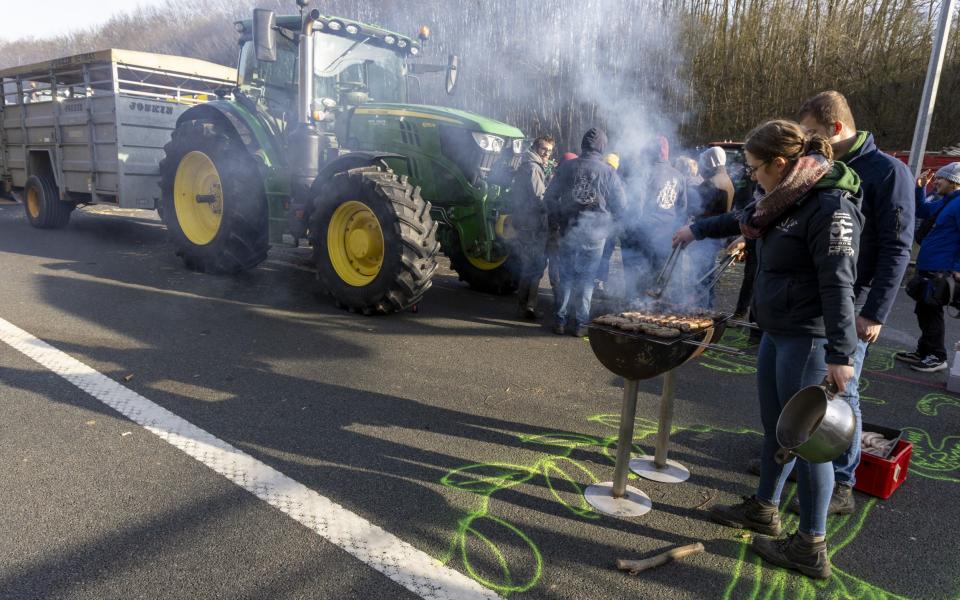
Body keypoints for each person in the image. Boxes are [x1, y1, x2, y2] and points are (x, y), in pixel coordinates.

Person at [701, 119, 863, 580]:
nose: (750, 176)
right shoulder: (779, 201)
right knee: (775, 428)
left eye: (755, 168)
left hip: (808, 339)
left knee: (810, 444)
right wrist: (696, 230)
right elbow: (741, 220)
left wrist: (840, 353)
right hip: (775, 330)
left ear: (780, 163)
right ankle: (764, 509)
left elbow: (838, 283)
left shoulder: (830, 207)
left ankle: (810, 545)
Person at [795, 90, 915, 513]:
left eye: (811, 132)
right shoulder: (820, 167)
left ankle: (843, 481)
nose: (804, 141)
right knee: (808, 387)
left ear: (836, 129)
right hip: (817, 297)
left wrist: (873, 312)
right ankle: (801, 459)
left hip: (855, 301)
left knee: (843, 392)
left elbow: (897, 248)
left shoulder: (887, 172)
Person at [545, 128, 626, 336]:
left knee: (567, 276)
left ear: (583, 144)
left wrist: (557, 221)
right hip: (595, 235)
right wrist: (608, 226)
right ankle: (580, 324)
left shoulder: (568, 167)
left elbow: (550, 197)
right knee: (587, 278)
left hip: (569, 230)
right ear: (602, 147)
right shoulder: (609, 172)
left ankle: (560, 321)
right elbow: (622, 207)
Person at [896, 163, 960, 372]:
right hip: (930, 265)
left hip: (941, 268)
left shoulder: (958, 203)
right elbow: (922, 210)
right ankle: (924, 351)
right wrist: (920, 188)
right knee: (923, 309)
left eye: (940, 178)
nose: (936, 181)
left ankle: (937, 355)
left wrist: (958, 267)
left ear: (953, 181)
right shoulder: (947, 201)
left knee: (932, 312)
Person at [620, 135, 687, 302]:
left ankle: (633, 312)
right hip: (666, 238)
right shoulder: (679, 176)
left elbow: (636, 207)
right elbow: (682, 210)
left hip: (641, 236)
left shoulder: (643, 173)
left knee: (636, 282)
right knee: (658, 281)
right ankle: (653, 314)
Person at [510, 136, 555, 319]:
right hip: (533, 223)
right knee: (535, 266)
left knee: (528, 265)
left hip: (525, 221)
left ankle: (524, 305)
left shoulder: (527, 164)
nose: (546, 154)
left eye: (550, 151)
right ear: (536, 147)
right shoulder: (533, 168)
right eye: (544, 149)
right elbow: (540, 198)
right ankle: (529, 306)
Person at [594, 153, 622, 297]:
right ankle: (593, 282)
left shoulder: (616, 181)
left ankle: (599, 282)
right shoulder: (597, 178)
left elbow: (620, 205)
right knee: (597, 255)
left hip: (609, 225)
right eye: (607, 165)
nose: (608, 168)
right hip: (599, 223)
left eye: (611, 166)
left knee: (605, 255)